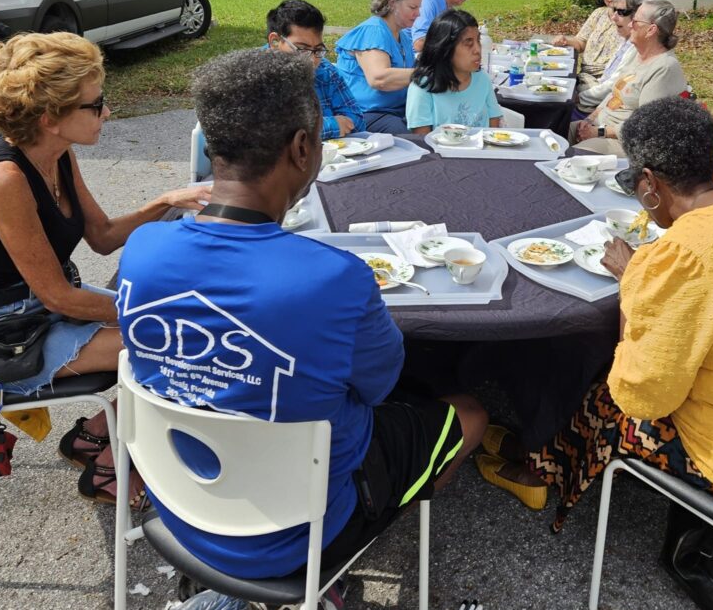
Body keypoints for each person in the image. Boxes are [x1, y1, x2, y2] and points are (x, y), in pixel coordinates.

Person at [116, 49, 487, 581]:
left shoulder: (143, 247)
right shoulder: (334, 277)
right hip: (302, 538)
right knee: (470, 413)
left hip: (180, 507)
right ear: (302, 147)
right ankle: (342, 566)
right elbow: (379, 388)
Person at [476, 97, 713, 532]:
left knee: (609, 391)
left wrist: (636, 284)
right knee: (622, 373)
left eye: (633, 179)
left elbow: (642, 398)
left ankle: (536, 471)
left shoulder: (683, 254)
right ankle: (536, 454)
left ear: (649, 182)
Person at [0, 32, 209, 506]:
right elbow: (59, 296)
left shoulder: (55, 154)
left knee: (181, 324)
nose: (106, 113)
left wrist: (168, 201)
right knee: (180, 345)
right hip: (0, 337)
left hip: (38, 313)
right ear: (50, 118)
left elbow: (101, 236)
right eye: (95, 104)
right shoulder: (3, 178)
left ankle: (93, 436)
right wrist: (158, 316)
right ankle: (106, 471)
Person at [571, 0, 686, 156]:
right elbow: (613, 94)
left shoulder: (664, 68)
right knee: (552, 131)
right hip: (600, 127)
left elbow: (645, 125)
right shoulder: (637, 55)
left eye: (636, 21)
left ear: (651, 30)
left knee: (578, 155)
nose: (630, 24)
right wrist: (589, 120)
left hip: (625, 142)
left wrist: (598, 132)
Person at [335, 0, 424, 134]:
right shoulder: (373, 30)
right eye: (413, 7)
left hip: (394, 112)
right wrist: (428, 74)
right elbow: (379, 78)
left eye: (419, 8)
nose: (418, 13)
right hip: (365, 115)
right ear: (392, 3)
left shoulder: (403, 35)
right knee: (408, 137)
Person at [265, 0, 365, 140]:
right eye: (301, 49)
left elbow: (357, 121)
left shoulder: (326, 71)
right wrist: (331, 125)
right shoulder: (252, 76)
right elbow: (272, 135)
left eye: (318, 49)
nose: (312, 59)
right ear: (275, 42)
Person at [406, 9, 503, 134]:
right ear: (446, 48)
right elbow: (423, 141)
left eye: (478, 41)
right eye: (469, 43)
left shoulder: (482, 79)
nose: (477, 50)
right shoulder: (423, 87)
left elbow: (493, 128)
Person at [553, 0, 633, 96]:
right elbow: (581, 42)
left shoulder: (632, 21)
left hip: (606, 82)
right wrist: (566, 41)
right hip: (584, 77)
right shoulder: (599, 14)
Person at [573, 0, 653, 114]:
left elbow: (613, 88)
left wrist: (579, 98)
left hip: (603, 106)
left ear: (639, 16)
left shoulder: (637, 48)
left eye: (621, 12)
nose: (614, 17)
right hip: (599, 98)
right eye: (614, 10)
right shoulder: (627, 41)